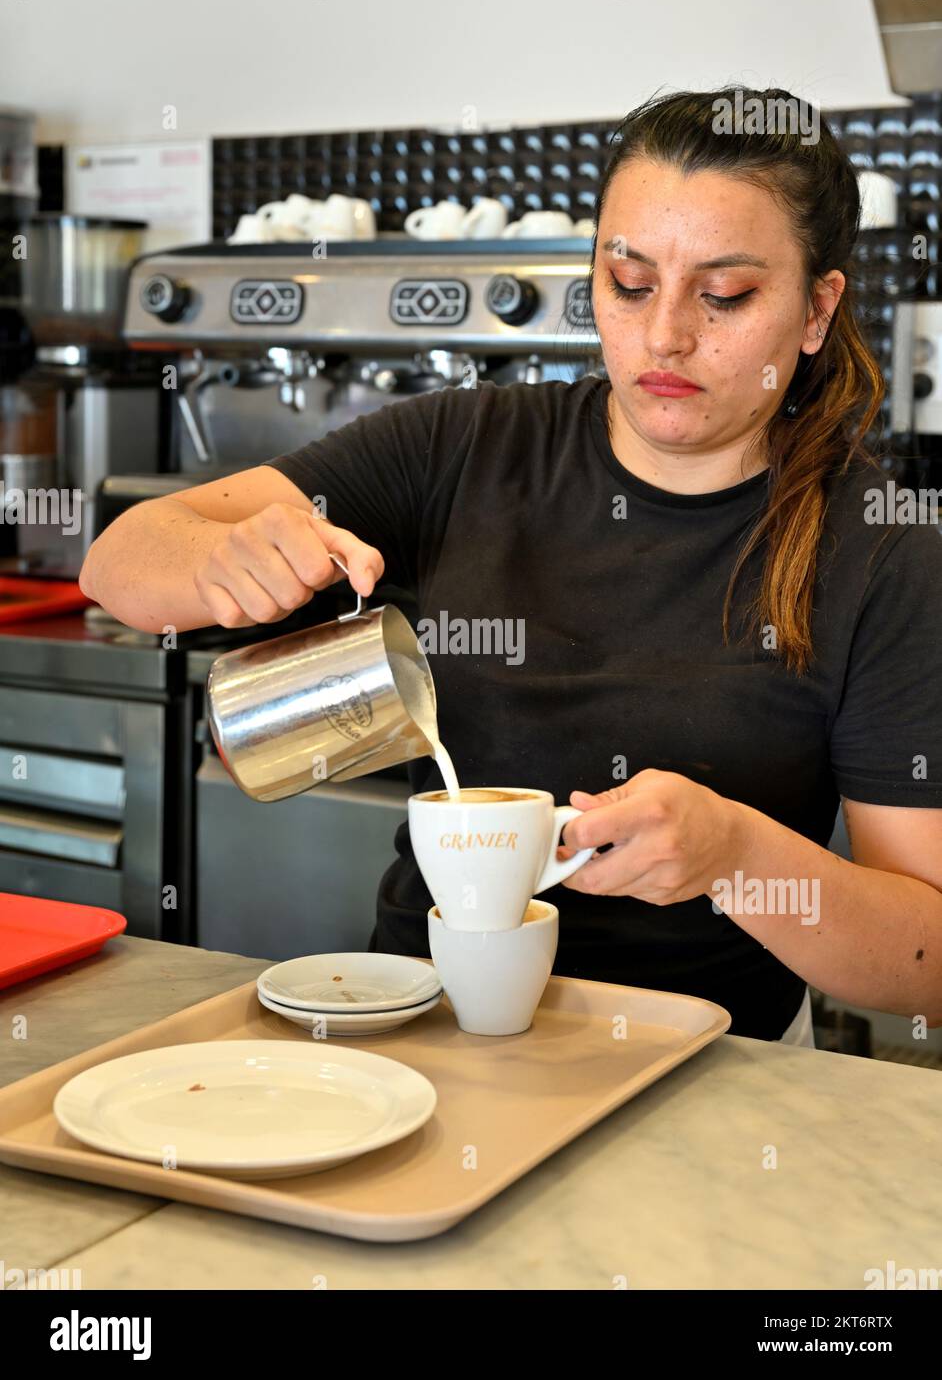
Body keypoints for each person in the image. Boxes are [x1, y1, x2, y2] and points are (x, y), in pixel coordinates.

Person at [81, 86, 942, 1045]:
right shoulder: (466, 445)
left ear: (818, 309)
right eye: (628, 282)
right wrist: (219, 555)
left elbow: (931, 964)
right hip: (417, 1037)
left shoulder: (880, 548)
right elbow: (117, 561)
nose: (666, 336)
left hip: (704, 1075)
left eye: (725, 295)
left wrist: (735, 857)